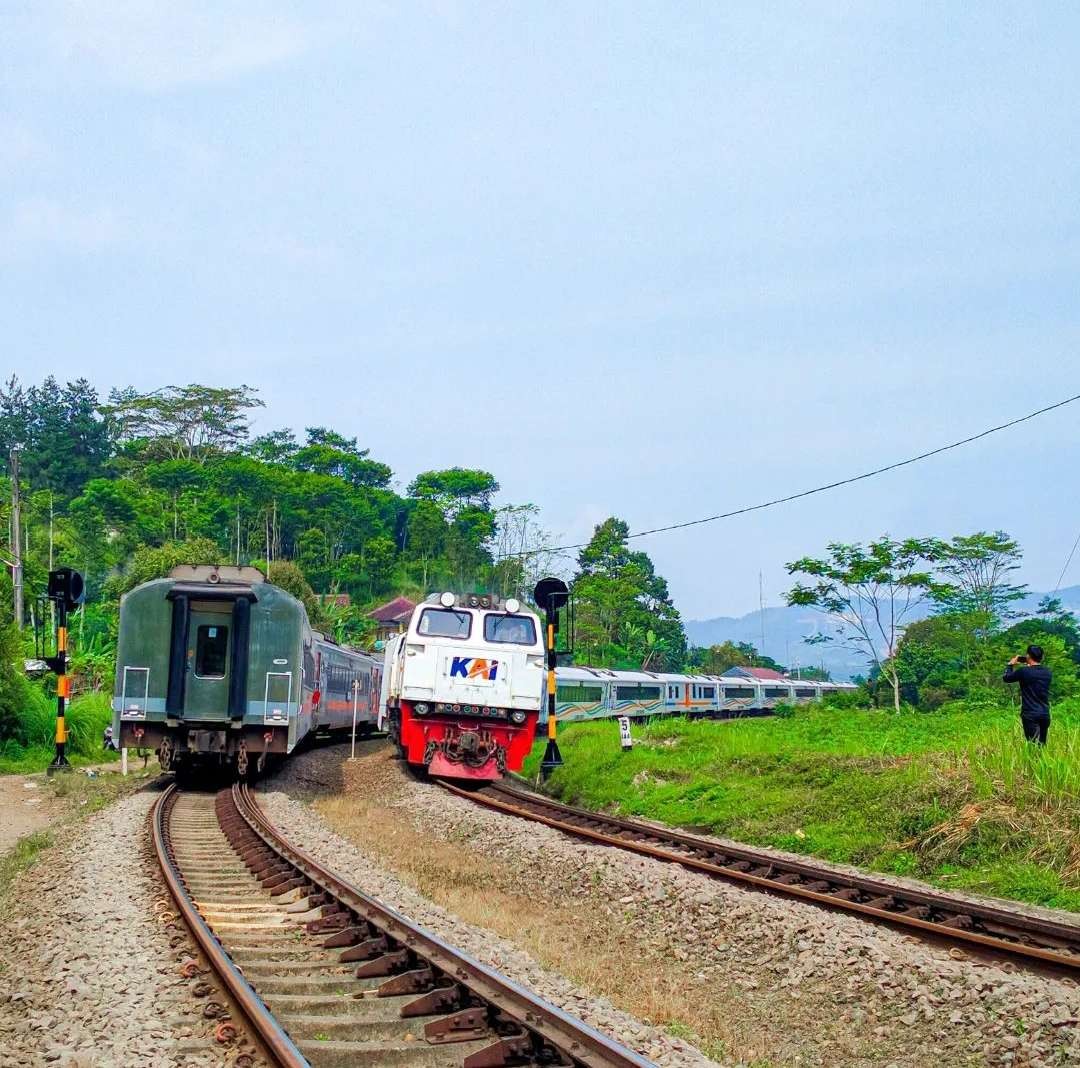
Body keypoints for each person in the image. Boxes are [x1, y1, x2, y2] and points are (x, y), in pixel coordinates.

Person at [1003, 644, 1052, 745]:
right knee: (1041, 745)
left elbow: (1006, 678)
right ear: (1042, 657)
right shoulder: (1047, 672)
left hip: (1030, 714)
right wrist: (1029, 663)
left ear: (1028, 656)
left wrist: (1010, 665)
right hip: (1044, 714)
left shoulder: (1024, 671)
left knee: (1033, 746)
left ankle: (1034, 761)